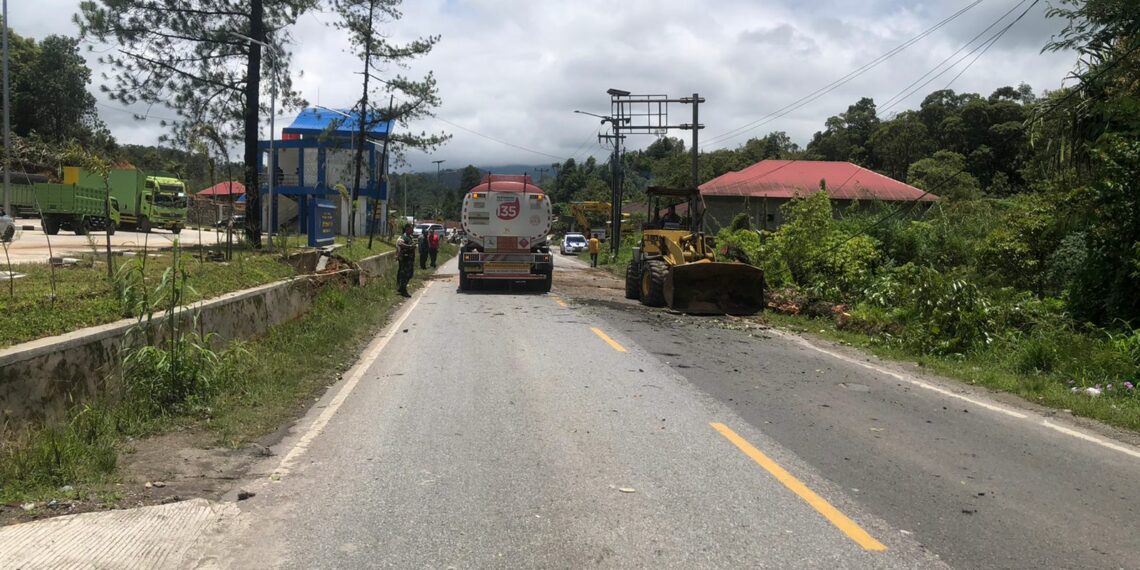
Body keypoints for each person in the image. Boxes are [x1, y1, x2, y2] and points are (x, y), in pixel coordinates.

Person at [396, 223, 416, 297]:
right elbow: (400, 244)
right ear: (407, 229)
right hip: (405, 260)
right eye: (411, 228)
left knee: (410, 275)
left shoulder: (409, 237)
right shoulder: (403, 237)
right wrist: (410, 246)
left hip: (409, 260)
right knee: (405, 275)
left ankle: (401, 288)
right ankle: (403, 290)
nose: (412, 229)